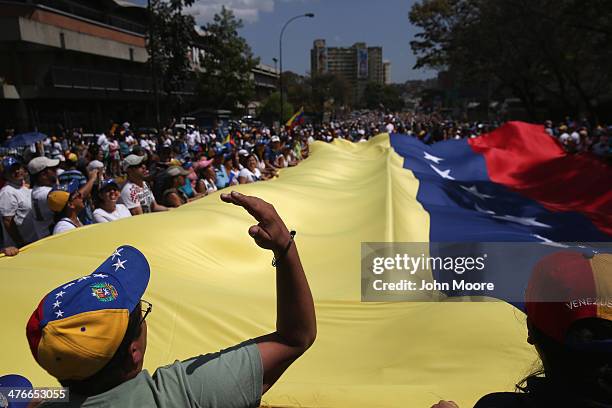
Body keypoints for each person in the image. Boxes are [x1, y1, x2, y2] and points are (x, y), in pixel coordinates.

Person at [26, 191, 316, 406]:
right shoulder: (182, 394)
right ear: (134, 353)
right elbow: (295, 337)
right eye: (141, 314)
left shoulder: (45, 401)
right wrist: (284, 246)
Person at [0, 156, 36, 247]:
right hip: (21, 245)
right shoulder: (7, 192)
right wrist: (20, 242)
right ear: (5, 175)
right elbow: (8, 221)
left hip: (33, 240)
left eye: (18, 168)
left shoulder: (23, 187)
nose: (17, 171)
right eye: (12, 170)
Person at [28, 156, 60, 240]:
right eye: (52, 169)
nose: (56, 171)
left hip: (47, 236)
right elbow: (77, 197)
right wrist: (92, 179)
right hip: (52, 238)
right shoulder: (46, 194)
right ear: (43, 175)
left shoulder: (36, 190)